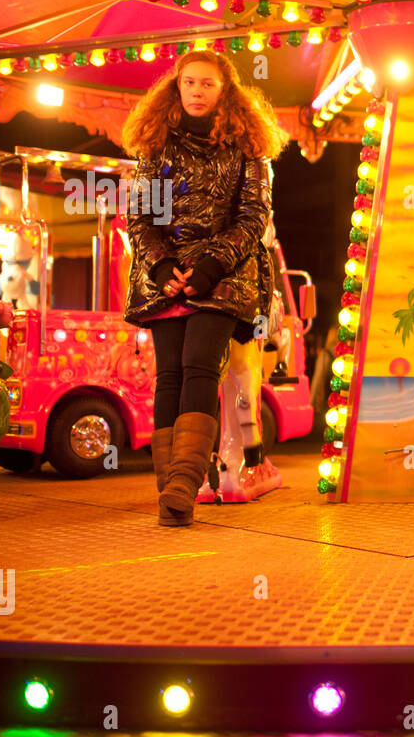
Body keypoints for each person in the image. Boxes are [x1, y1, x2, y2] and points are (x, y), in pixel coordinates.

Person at [121, 51, 289, 526]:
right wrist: (161, 267)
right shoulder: (155, 148)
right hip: (167, 274)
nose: (196, 91)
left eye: (206, 84)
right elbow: (142, 218)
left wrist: (212, 265)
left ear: (225, 90)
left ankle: (183, 484)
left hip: (224, 275)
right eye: (188, 82)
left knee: (199, 365)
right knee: (169, 375)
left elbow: (253, 218)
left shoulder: (247, 148)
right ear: (176, 87)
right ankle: (171, 491)